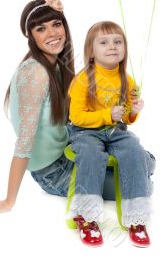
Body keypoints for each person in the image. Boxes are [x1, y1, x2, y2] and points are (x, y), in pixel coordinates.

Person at [0, 0, 116, 214]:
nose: (53, 34)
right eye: (41, 29)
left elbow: (74, 112)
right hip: (53, 171)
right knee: (139, 182)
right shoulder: (35, 73)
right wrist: (8, 201)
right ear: (31, 37)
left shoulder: (56, 64)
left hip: (68, 144)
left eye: (57, 24)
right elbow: (24, 142)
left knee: (139, 162)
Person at [66, 21, 156, 247]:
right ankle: (86, 217)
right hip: (85, 132)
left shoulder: (127, 80)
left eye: (118, 41)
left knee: (134, 149)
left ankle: (136, 217)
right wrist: (107, 115)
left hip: (116, 131)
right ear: (91, 52)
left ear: (124, 48)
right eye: (103, 42)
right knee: (91, 154)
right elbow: (76, 116)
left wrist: (133, 113)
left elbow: (125, 118)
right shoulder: (83, 79)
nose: (112, 46)